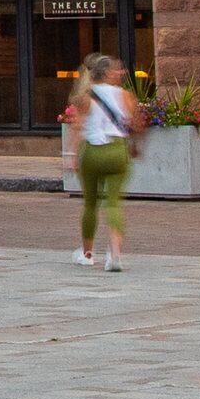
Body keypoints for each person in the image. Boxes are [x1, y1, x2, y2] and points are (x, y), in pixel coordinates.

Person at [67, 52, 141, 273]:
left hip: (92, 152)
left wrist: (71, 155)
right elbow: (136, 124)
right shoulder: (126, 96)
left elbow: (78, 129)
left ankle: (87, 254)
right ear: (108, 74)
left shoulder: (85, 97)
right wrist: (135, 145)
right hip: (118, 150)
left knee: (90, 203)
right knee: (114, 203)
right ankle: (115, 253)